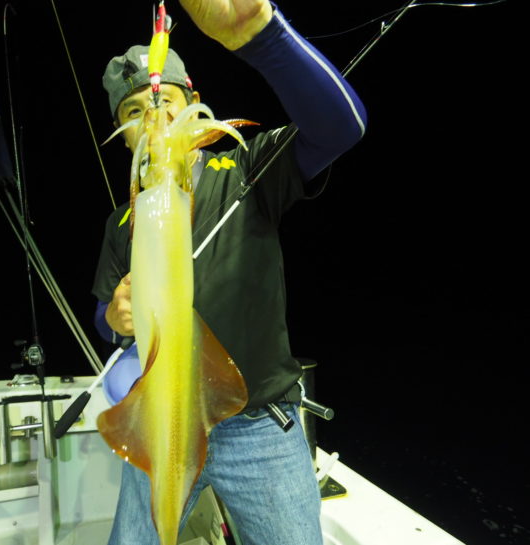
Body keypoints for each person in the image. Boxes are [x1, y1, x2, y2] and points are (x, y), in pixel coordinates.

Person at [91, 1, 367, 543]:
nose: (152, 119)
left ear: (193, 106)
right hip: (163, 420)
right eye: (133, 112)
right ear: (122, 135)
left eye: (165, 101)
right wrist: (114, 316)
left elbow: (341, 127)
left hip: (259, 426)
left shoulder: (246, 171)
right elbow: (103, 314)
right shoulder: (123, 220)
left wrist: (263, 36)